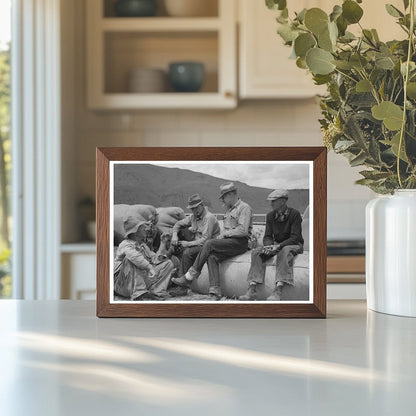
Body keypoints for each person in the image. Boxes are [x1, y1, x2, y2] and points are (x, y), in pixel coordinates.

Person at [173, 183, 253, 300]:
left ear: (230, 195)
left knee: (209, 243)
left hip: (240, 242)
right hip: (228, 242)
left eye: (223, 198)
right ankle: (215, 292)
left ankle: (190, 276)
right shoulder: (228, 210)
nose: (223, 201)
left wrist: (224, 234)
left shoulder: (244, 207)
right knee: (212, 256)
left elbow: (243, 230)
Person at [239, 189, 304, 301]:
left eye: (274, 201)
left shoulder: (295, 214)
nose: (271, 203)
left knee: (284, 251)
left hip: (294, 244)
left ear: (283, 201)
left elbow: (295, 237)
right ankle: (252, 288)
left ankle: (278, 290)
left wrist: (279, 246)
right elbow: (268, 236)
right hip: (277, 245)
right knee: (257, 252)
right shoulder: (270, 216)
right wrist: (268, 246)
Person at [113, 215, 175, 301]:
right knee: (131, 259)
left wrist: (163, 243)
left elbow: (155, 259)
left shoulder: (142, 245)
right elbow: (135, 257)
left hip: (138, 282)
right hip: (122, 285)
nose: (146, 229)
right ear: (136, 231)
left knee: (168, 263)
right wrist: (149, 267)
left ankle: (154, 291)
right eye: (143, 227)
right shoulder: (125, 244)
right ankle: (139, 294)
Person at [171, 194, 221, 284]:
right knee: (181, 250)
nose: (194, 211)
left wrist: (188, 244)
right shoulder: (193, 217)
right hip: (198, 245)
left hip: (209, 246)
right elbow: (178, 224)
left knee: (188, 252)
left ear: (202, 205)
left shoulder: (209, 218)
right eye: (192, 209)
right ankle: (181, 279)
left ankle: (184, 284)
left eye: (196, 208)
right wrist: (175, 235)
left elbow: (206, 239)